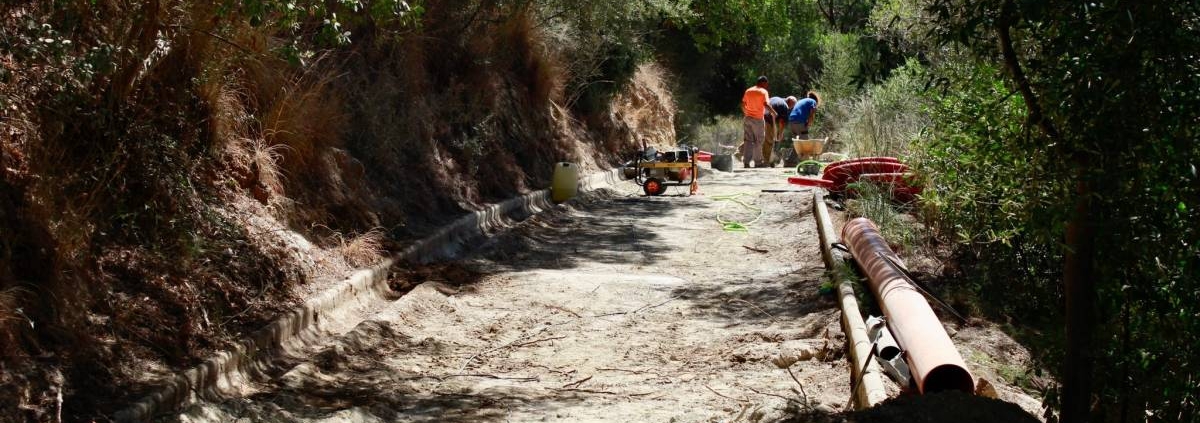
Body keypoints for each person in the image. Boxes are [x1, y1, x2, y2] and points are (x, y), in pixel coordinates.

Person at [740, 76, 776, 168]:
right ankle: (758, 162)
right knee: (758, 141)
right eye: (766, 84)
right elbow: (766, 104)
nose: (767, 86)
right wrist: (773, 112)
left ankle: (746, 162)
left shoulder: (748, 91)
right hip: (758, 119)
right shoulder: (763, 92)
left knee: (748, 141)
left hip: (748, 118)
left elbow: (743, 104)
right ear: (763, 83)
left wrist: (746, 112)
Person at [763, 96, 795, 166]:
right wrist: (780, 134)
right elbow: (781, 122)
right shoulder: (784, 106)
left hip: (762, 117)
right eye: (792, 105)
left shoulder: (776, 99)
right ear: (789, 102)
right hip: (769, 119)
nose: (792, 108)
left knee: (760, 139)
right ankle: (767, 161)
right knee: (769, 141)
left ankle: (741, 152)